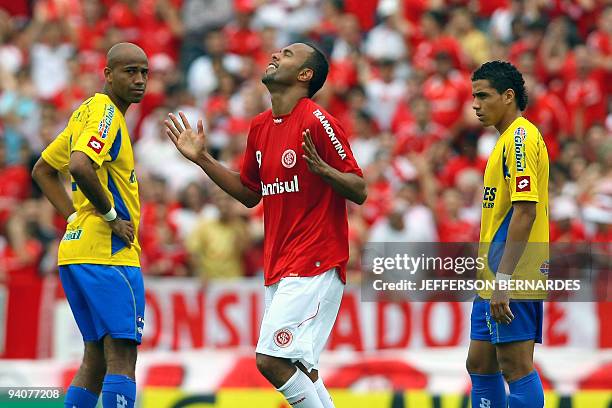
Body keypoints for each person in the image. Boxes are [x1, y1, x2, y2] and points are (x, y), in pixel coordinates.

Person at [165, 42, 366, 408]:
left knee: (270, 360)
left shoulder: (316, 120)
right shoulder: (259, 127)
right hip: (279, 265)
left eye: (287, 55)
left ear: (306, 75)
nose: (275, 56)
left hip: (315, 259)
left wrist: (324, 170)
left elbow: (360, 188)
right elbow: (249, 194)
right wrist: (202, 159)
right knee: (302, 369)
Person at [32, 42, 148, 408]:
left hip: (77, 249)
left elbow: (44, 170)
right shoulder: (106, 113)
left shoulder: (84, 113)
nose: (140, 79)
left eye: (144, 72)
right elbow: (80, 166)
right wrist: (112, 217)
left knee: (95, 359)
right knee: (122, 356)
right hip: (108, 254)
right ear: (108, 74)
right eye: (130, 71)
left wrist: (73, 218)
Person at [467, 60, 549, 408]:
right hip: (495, 273)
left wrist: (504, 279)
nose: (475, 104)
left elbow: (525, 210)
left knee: (515, 366)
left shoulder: (519, 138)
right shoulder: (503, 141)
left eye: (483, 96)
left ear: (508, 96)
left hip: (513, 274)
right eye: (473, 96)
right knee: (480, 364)